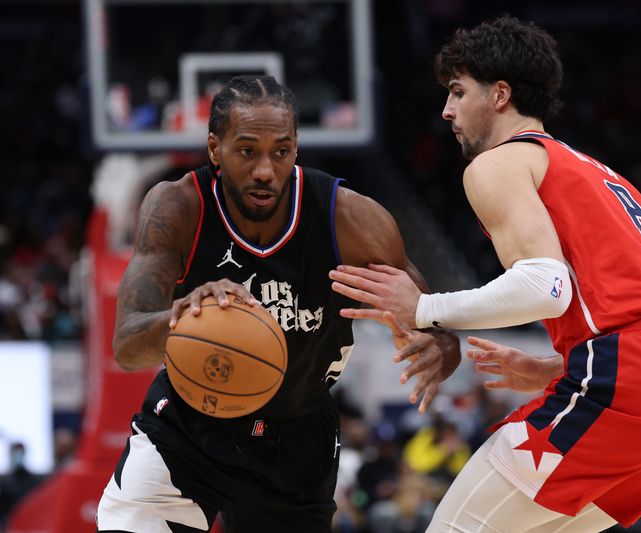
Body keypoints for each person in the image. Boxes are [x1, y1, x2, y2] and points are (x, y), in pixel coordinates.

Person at [329, 16, 641, 532]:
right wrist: (560, 366)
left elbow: (546, 286)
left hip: (632, 378)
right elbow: (638, 307)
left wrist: (423, 307)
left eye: (458, 91)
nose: (446, 110)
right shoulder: (602, 174)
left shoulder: (497, 164)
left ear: (500, 95)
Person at [95, 74, 460, 533]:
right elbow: (127, 346)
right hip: (185, 434)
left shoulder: (351, 220)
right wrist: (182, 314)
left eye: (281, 152)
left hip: (296, 443)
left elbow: (435, 326)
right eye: (247, 150)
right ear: (215, 149)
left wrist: (442, 348)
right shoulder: (177, 208)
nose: (266, 169)